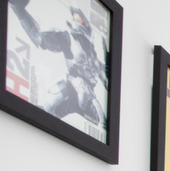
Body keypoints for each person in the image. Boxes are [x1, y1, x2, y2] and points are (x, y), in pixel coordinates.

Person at [8, 0, 108, 128]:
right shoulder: (67, 38)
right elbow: (38, 37)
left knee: (101, 123)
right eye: (77, 20)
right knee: (45, 108)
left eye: (82, 21)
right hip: (71, 86)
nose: (80, 23)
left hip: (88, 96)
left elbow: (107, 80)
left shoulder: (94, 56)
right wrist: (18, 9)